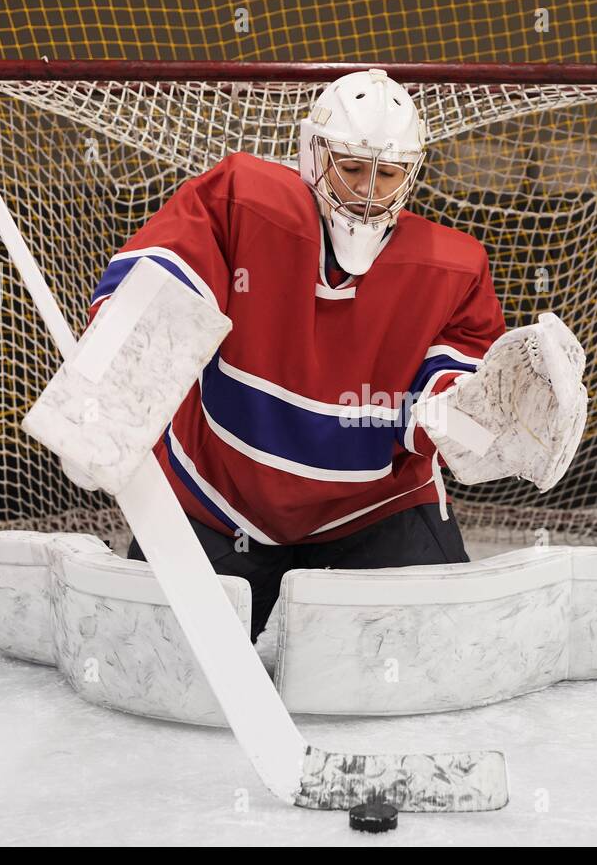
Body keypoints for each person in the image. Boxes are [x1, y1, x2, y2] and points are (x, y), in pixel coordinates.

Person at [85, 69, 507, 642]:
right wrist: (116, 365)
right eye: (353, 168)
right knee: (146, 654)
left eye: (386, 174)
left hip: (371, 511)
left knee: (432, 656)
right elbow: (171, 268)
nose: (367, 192)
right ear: (313, 155)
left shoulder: (452, 267)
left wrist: (488, 421)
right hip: (219, 499)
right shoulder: (244, 202)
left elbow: (445, 407)